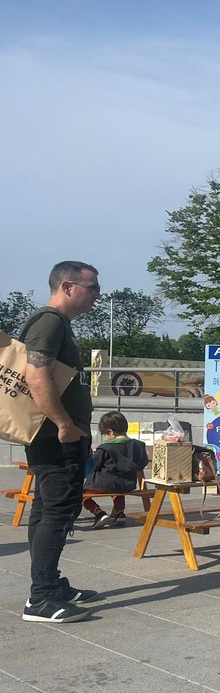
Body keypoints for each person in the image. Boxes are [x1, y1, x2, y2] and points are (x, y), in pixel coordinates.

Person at [18, 261, 104, 623]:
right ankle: (40, 599)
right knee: (57, 510)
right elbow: (35, 375)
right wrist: (64, 424)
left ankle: (50, 585)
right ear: (67, 287)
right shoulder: (50, 321)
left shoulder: (55, 323)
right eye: (93, 287)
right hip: (56, 436)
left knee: (48, 508)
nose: (98, 295)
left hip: (54, 433)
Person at [81, 411, 148, 529]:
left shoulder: (105, 448)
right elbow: (142, 463)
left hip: (103, 485)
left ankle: (98, 512)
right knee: (118, 491)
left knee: (80, 494)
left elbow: (93, 467)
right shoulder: (139, 445)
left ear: (110, 432)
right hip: (127, 484)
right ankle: (119, 512)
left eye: (105, 434)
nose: (105, 438)